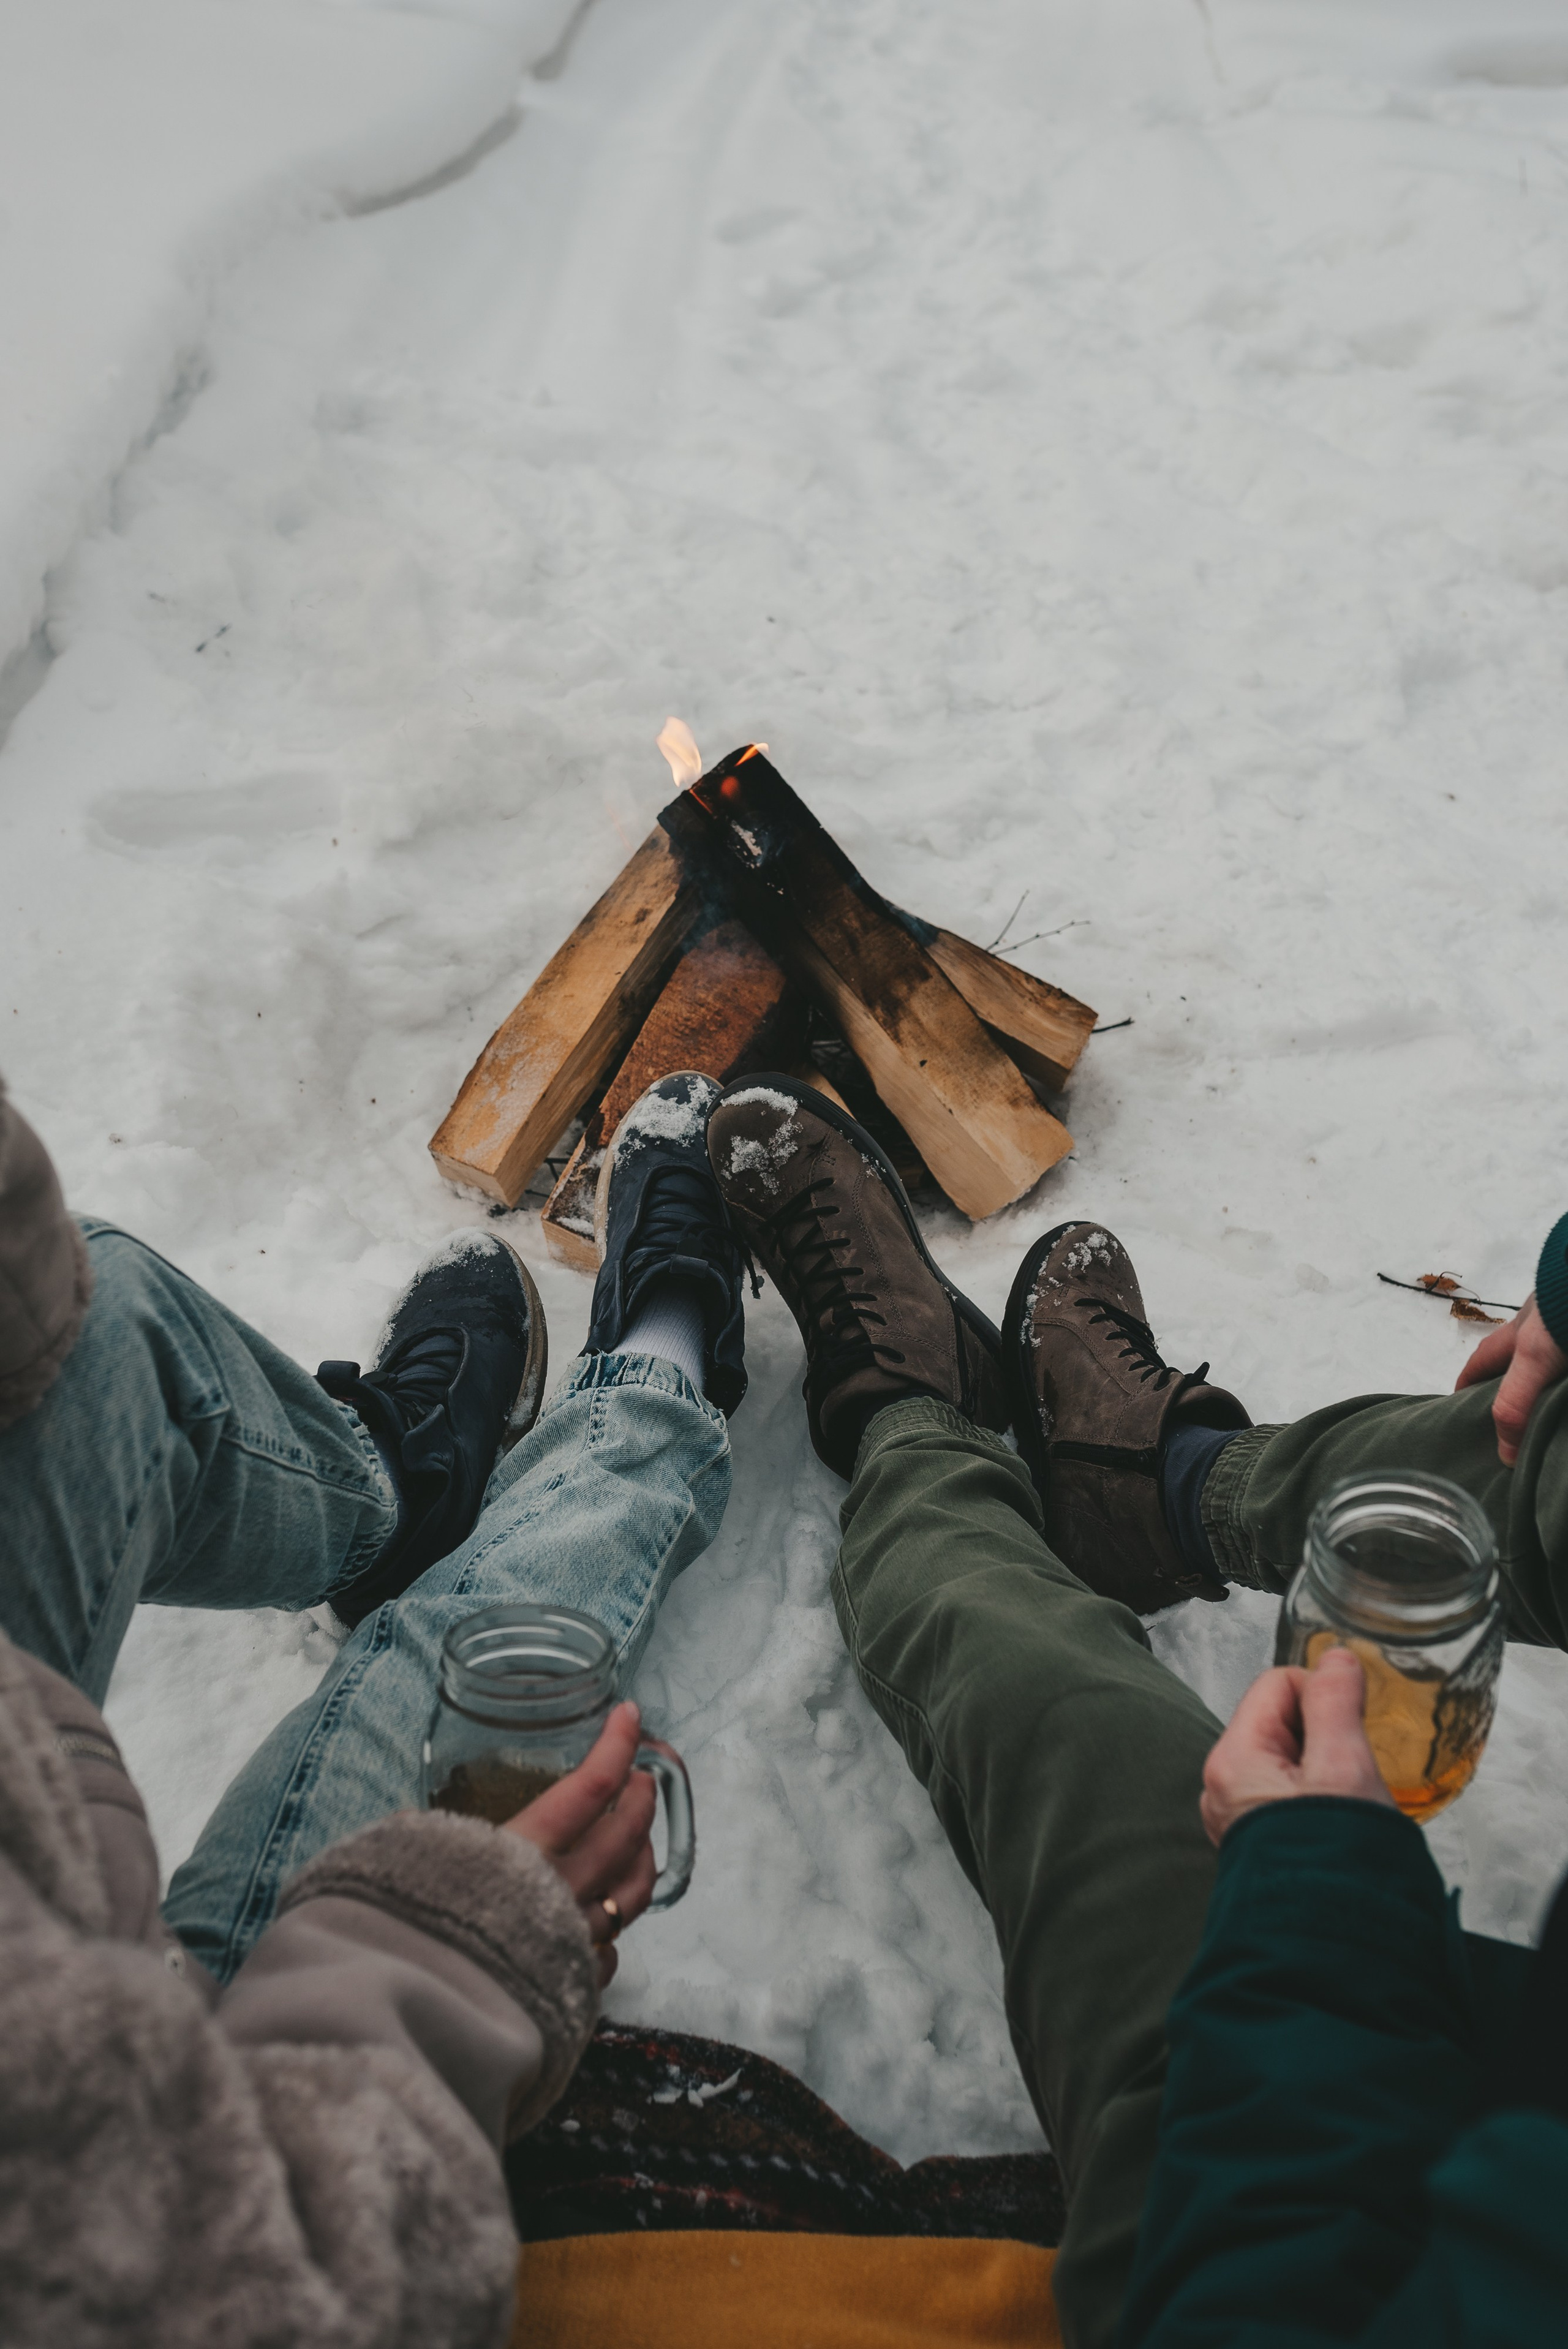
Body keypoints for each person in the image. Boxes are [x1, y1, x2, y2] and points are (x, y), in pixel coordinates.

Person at [0, 1064, 748, 2346]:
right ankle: (653, 1380)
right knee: (453, 1656)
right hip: (180, 2134)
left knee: (102, 1314)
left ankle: (389, 1505)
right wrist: (438, 1956)